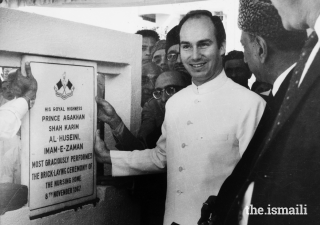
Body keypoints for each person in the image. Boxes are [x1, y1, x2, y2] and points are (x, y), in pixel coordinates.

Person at [94, 10, 265, 225]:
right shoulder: (175, 102)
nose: (194, 55)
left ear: (221, 46)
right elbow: (161, 158)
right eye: (186, 46)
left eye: (203, 44)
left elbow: (258, 186)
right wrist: (107, 156)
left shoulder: (250, 105)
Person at [196, 0, 307, 224]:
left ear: (260, 48)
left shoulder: (294, 99)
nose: (245, 57)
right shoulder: (288, 93)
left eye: (245, 46)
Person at [96, 71, 190, 225]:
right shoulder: (158, 132)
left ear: (187, 90)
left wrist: (107, 156)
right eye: (158, 93)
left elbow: (160, 161)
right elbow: (143, 154)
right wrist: (114, 121)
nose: (164, 98)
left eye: (171, 90)